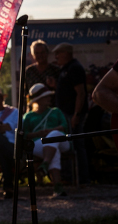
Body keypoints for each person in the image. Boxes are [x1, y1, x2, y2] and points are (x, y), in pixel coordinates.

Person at [51, 42, 89, 184]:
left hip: (72, 115)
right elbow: (68, 89)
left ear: (66, 53)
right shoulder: (66, 68)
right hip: (65, 114)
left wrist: (76, 115)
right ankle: (71, 178)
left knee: (76, 146)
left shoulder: (75, 68)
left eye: (58, 54)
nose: (56, 57)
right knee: (68, 145)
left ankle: (82, 179)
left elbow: (80, 93)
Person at [23, 84, 70, 197]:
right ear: (37, 100)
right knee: (54, 149)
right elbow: (24, 135)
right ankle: (57, 187)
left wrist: (50, 131)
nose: (49, 98)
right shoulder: (28, 117)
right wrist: (38, 134)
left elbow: (64, 126)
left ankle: (45, 165)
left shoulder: (56, 111)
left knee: (53, 136)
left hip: (61, 140)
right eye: (46, 97)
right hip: (39, 143)